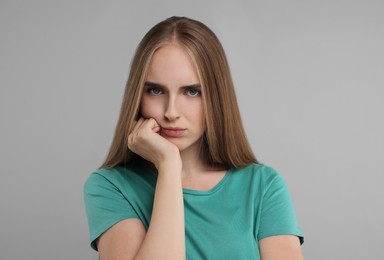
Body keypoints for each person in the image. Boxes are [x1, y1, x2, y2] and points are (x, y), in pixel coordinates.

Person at [84, 16, 304, 260]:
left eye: (192, 91)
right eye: (155, 90)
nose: (171, 112)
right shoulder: (111, 187)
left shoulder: (263, 187)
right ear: (138, 95)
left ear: (216, 98)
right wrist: (169, 166)